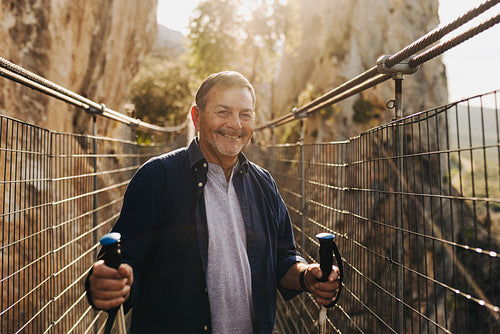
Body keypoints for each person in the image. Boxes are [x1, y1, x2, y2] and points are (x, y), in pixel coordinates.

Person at [86, 71, 340, 333]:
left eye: (246, 114)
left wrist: (306, 275)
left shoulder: (265, 184)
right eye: (223, 112)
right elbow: (124, 260)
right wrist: (108, 279)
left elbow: (283, 259)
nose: (236, 125)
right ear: (196, 117)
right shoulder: (156, 177)